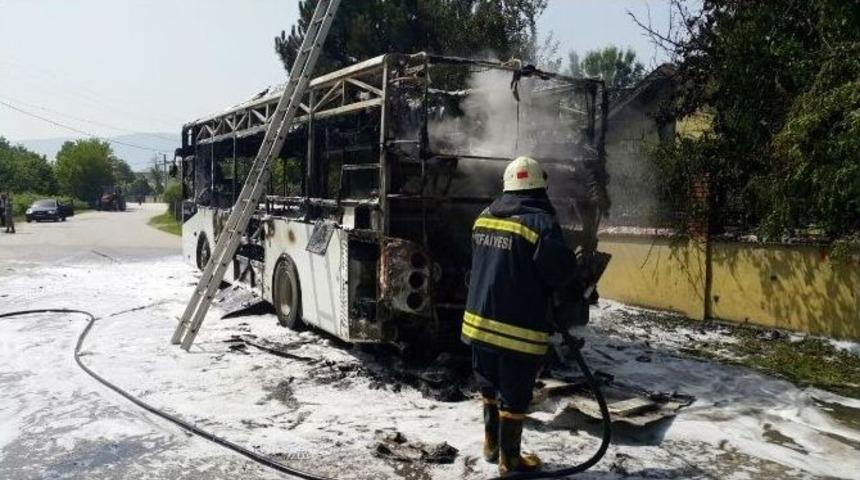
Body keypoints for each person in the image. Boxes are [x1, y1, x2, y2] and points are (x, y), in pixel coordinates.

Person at [462, 156, 578, 475]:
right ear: (539, 187)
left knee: (488, 385)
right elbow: (558, 273)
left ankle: (491, 447)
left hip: (478, 323)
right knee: (515, 395)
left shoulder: (484, 216)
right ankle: (510, 461)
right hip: (517, 329)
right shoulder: (540, 223)